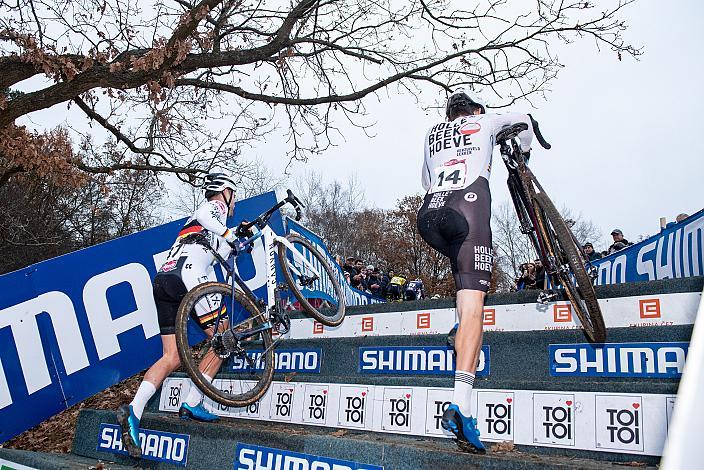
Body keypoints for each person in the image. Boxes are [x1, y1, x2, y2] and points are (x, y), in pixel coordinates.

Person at [416, 90, 534, 453]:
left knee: (463, 281)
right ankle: (461, 405)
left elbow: (424, 179)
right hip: (468, 209)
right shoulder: (486, 120)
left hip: (430, 214)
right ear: (477, 110)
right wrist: (524, 152)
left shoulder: (432, 132)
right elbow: (526, 121)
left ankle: (461, 329)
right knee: (473, 306)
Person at [116, 172, 242, 458]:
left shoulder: (197, 227)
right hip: (189, 276)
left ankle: (133, 411)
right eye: (233, 196)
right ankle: (193, 401)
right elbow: (207, 215)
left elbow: (215, 258)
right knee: (225, 340)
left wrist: (232, 240)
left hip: (164, 279)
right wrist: (227, 233)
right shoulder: (215, 209)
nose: (234, 203)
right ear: (224, 192)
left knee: (170, 356)